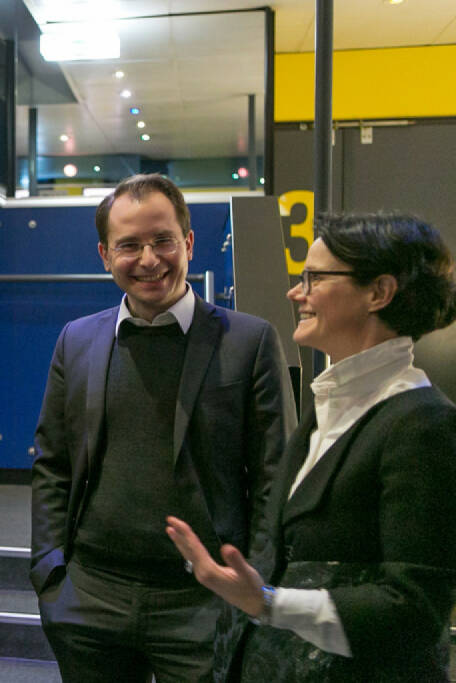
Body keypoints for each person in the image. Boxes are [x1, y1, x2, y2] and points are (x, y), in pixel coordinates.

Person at [167, 212, 456, 682]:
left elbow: (415, 606)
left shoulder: (423, 422)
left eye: (315, 278)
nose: (295, 292)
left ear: (379, 293)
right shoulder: (330, 405)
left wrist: (270, 602)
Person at [31, 173, 297, 682]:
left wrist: (253, 588)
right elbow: (53, 462)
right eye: (129, 245)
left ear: (189, 244)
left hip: (203, 603)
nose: (149, 259)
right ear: (105, 255)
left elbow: (274, 477)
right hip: (90, 600)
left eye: (163, 241)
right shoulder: (76, 341)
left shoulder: (249, 341)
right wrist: (51, 575)